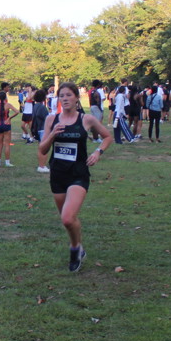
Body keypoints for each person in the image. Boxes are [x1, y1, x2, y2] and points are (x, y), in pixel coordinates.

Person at [39, 82, 113, 272]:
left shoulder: (86, 119)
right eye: (61, 96)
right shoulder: (51, 119)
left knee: (67, 218)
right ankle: (79, 247)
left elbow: (107, 136)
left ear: (76, 98)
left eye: (68, 95)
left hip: (78, 173)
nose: (65, 99)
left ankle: (74, 249)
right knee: (68, 220)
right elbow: (42, 149)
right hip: (57, 174)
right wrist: (52, 134)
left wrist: (97, 152)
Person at [30, 88, 51, 172]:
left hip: (37, 129)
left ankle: (40, 165)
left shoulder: (35, 106)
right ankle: (42, 166)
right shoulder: (42, 107)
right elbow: (46, 118)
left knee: (40, 148)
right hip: (43, 129)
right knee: (45, 149)